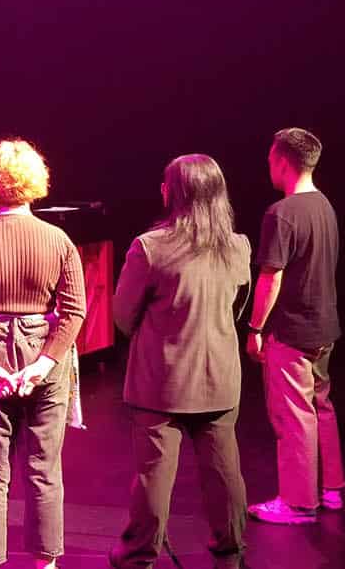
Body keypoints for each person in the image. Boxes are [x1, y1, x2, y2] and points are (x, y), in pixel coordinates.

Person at [108, 155, 251, 568]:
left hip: (161, 381)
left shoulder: (150, 247)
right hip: (220, 378)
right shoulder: (238, 247)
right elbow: (236, 307)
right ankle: (231, 553)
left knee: (154, 475)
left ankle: (138, 555)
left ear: (173, 192)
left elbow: (122, 316)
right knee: (225, 473)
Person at [0, 139, 86, 569]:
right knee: (44, 469)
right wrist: (44, 364)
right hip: (45, 350)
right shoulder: (58, 240)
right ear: (36, 181)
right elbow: (75, 310)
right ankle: (45, 565)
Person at [244, 127, 345, 525]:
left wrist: (254, 329)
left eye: (270, 158)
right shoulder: (325, 206)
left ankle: (299, 503)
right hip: (324, 327)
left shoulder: (281, 213)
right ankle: (331, 488)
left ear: (283, 161)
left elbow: (272, 278)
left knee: (293, 415)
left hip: (293, 330)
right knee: (321, 407)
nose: (268, 165)